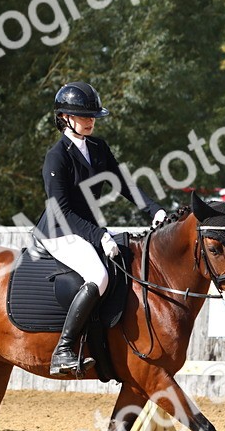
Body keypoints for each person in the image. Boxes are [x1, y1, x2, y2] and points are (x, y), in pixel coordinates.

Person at [34, 82, 167, 377]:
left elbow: (123, 182)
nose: (91, 120)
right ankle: (64, 350)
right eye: (84, 116)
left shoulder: (98, 148)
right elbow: (62, 210)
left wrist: (153, 209)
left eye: (93, 115)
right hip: (59, 230)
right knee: (99, 275)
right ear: (65, 118)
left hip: (84, 228)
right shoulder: (57, 157)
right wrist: (100, 235)